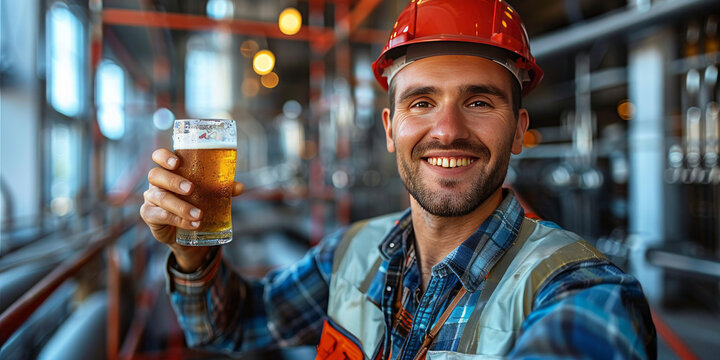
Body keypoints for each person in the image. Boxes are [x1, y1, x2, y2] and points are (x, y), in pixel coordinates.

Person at [140, 0, 656, 358]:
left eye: (478, 102)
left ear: (519, 131)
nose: (448, 131)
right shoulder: (351, 253)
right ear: (390, 130)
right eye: (422, 102)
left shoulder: (581, 291)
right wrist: (192, 253)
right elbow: (232, 323)